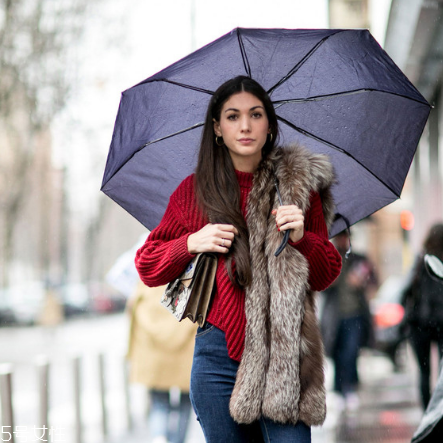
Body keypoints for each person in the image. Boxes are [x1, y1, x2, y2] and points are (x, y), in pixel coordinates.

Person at [135, 76, 342, 442]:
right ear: (217, 127)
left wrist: (301, 238)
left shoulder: (297, 189)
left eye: (255, 114)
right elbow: (148, 264)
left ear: (270, 126)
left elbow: (326, 273)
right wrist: (192, 242)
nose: (245, 125)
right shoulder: (195, 192)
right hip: (217, 360)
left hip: (285, 360)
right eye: (232, 116)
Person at [126, 281, 197, 443]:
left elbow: (133, 313)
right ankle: (177, 440)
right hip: (184, 356)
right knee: (186, 404)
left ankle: (159, 437)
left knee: (158, 402)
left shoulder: (147, 283)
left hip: (155, 358)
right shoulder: (187, 280)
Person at [320, 230, 377, 411]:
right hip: (335, 317)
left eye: (345, 237)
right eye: (339, 237)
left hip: (355, 315)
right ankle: (339, 389)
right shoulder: (328, 258)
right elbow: (318, 285)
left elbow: (374, 281)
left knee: (351, 351)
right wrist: (331, 280)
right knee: (337, 352)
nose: (342, 240)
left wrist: (362, 281)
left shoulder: (358, 259)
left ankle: (349, 387)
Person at [402, 223, 443, 410]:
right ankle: (439, 411)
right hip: (441, 324)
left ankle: (427, 411)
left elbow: (406, 292)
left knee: (424, 372)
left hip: (420, 326)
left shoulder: (421, 261)